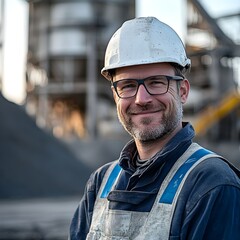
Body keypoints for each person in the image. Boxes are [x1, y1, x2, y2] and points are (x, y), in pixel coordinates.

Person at [69, 17, 240, 240]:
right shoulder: (100, 183)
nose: (141, 99)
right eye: (128, 85)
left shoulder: (212, 184)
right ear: (115, 96)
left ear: (183, 91)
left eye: (156, 82)